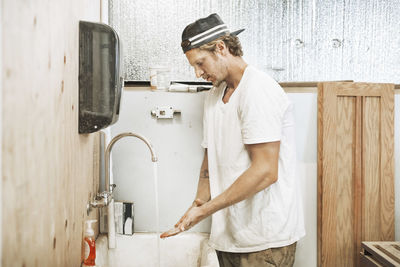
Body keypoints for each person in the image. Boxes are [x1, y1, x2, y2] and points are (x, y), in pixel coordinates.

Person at [161, 13, 305, 267]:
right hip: (230, 237)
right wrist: (198, 203)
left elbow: (265, 171)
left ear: (221, 48)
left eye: (201, 63)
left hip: (264, 242)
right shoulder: (214, 96)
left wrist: (205, 211)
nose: (197, 73)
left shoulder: (258, 90)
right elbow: (210, 157)